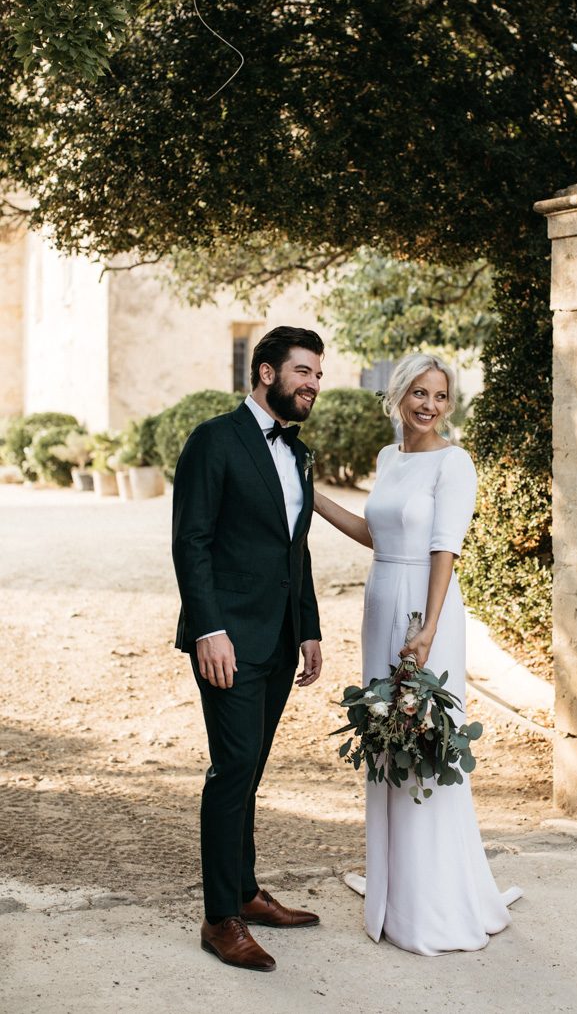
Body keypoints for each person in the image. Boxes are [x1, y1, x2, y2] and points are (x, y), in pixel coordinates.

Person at [313, 353, 522, 955]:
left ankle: (432, 897)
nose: (430, 405)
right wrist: (313, 497)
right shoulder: (388, 458)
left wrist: (428, 628)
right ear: (399, 395)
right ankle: (392, 885)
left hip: (423, 609)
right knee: (386, 734)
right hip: (380, 600)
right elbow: (376, 534)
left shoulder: (454, 464)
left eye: (440, 396)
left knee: (424, 739)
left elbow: (443, 549)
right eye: (419, 393)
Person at [172, 326, 325, 972]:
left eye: (318, 375)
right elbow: (191, 541)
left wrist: (310, 627)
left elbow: (298, 548)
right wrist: (209, 629)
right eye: (302, 373)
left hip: (281, 640)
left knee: (251, 771)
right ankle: (219, 918)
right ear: (265, 373)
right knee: (232, 770)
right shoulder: (214, 440)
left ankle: (247, 891)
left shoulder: (299, 454)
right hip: (227, 642)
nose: (313, 385)